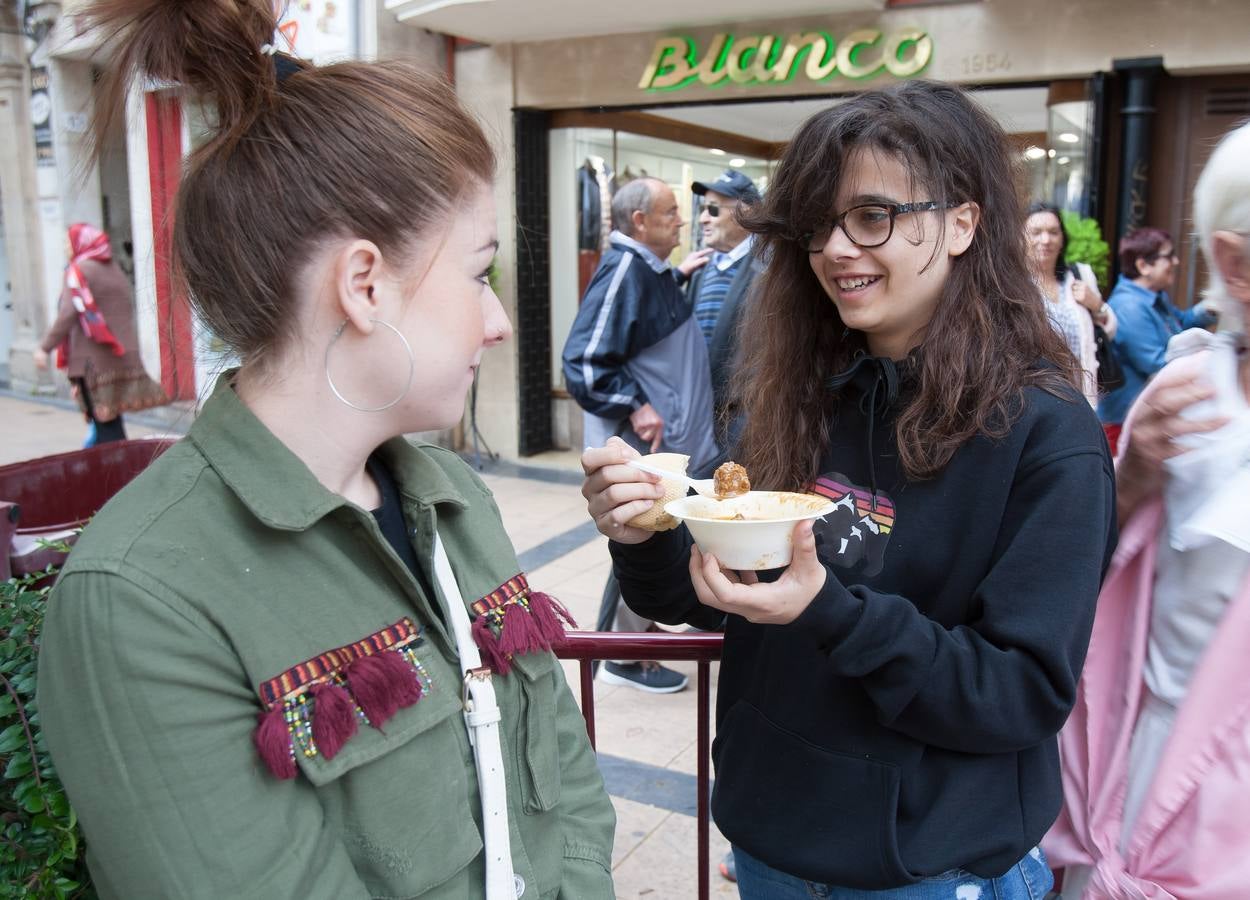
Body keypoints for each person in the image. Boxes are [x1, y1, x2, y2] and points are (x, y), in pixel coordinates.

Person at [36, 2, 615, 898]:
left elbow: (566, 792)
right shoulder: (146, 599)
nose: (499, 321)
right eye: (478, 273)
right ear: (365, 284)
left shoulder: (454, 496)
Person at [581, 79, 1116, 898]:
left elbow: (1019, 693)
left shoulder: (1046, 433)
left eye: (873, 216)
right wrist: (643, 532)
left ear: (964, 221)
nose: (835, 249)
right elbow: (712, 595)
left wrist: (829, 609)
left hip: (931, 867)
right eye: (817, 225)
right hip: (771, 843)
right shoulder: (794, 391)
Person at [1044, 121, 1250, 900]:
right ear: (1236, 263)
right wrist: (1129, 481)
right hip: (1143, 784)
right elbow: (1080, 582)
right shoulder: (1185, 398)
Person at [562, 176, 718, 693]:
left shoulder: (650, 270)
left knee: (663, 543)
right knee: (640, 542)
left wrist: (676, 276)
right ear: (639, 222)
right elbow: (583, 361)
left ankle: (641, 646)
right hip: (656, 447)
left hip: (682, 442)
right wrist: (638, 404)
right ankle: (625, 657)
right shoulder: (625, 269)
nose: (682, 220)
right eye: (671, 211)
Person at [32, 222, 166, 444]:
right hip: (117, 357)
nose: (66, 247)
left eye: (68, 241)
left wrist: (43, 348)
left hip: (92, 363)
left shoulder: (79, 271)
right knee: (111, 422)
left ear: (80, 243)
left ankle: (112, 473)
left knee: (106, 427)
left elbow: (67, 314)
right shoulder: (112, 269)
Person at [1098, 226, 1217, 452]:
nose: (1176, 262)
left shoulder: (1155, 296)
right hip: (1125, 423)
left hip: (1146, 419)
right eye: (1168, 256)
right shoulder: (1129, 306)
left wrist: (1208, 309)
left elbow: (1180, 323)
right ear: (1143, 266)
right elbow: (1156, 365)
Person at [687, 169, 766, 445]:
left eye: (712, 209)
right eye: (702, 209)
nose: (703, 218)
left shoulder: (771, 268)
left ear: (747, 212)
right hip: (701, 417)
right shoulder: (699, 270)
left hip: (745, 421)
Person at [1024, 203, 1117, 408]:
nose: (1045, 240)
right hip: (1035, 399)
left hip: (1082, 396)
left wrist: (1096, 304)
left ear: (1062, 238)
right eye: (1036, 232)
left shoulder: (1079, 276)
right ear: (1021, 238)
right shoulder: (1015, 284)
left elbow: (1109, 330)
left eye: (1053, 232)